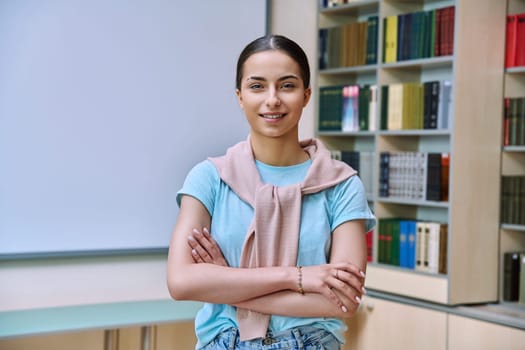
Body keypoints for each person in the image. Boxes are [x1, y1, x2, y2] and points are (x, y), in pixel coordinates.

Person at [167, 34, 375, 350]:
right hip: (225, 342)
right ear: (239, 96)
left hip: (311, 342)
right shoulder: (209, 178)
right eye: (257, 86)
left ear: (306, 96)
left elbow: (342, 303)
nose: (272, 99)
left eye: (287, 85)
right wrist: (298, 277)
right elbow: (181, 282)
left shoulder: (342, 185)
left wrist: (228, 282)